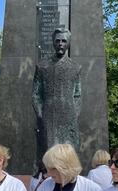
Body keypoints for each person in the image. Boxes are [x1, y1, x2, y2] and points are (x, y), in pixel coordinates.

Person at [32, 28, 82, 159]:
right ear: (53, 43)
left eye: (64, 41)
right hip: (48, 117)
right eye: (57, 41)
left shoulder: (75, 67)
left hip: (69, 117)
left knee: (69, 157)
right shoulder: (42, 66)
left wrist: (74, 114)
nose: (60, 44)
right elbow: (36, 94)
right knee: (49, 156)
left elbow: (77, 95)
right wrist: (41, 115)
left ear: (68, 43)